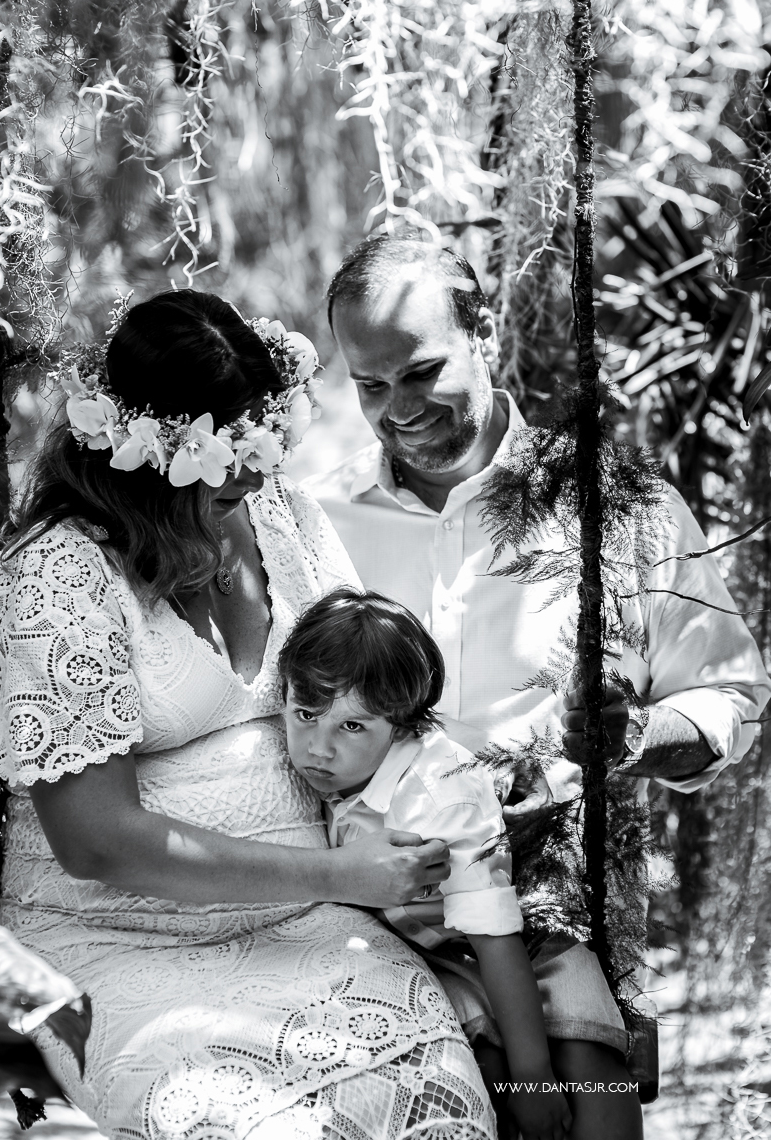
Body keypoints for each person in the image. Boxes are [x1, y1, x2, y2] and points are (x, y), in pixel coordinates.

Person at [0, 289, 500, 1140]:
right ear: (140, 464)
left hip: (315, 925)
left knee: (431, 1102)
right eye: (228, 474)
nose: (255, 480)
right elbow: (97, 841)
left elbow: (362, 686)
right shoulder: (58, 579)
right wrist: (340, 876)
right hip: (120, 941)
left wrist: (421, 816)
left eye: (261, 448)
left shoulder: (278, 512)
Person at [305, 234, 771, 1138]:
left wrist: (630, 737)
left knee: (587, 1118)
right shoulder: (315, 523)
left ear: (483, 328)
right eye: (368, 385)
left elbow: (730, 694)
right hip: (362, 924)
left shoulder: (618, 504)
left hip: (563, 910)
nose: (395, 411)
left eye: (420, 372)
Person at [279, 585, 574, 1140]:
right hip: (415, 946)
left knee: (574, 1067)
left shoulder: (438, 798)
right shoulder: (331, 761)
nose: (317, 748)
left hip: (510, 941)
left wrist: (533, 1079)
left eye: (351, 726)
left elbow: (494, 937)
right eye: (305, 714)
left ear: (404, 725)